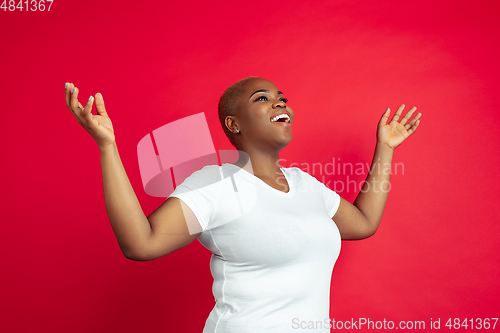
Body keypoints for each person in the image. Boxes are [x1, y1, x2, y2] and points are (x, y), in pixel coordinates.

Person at [64, 77, 421, 332]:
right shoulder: (217, 184)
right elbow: (140, 244)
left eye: (281, 96)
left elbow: (363, 222)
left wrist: (386, 149)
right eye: (262, 98)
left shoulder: (305, 184)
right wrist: (107, 148)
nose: (280, 102)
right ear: (233, 124)